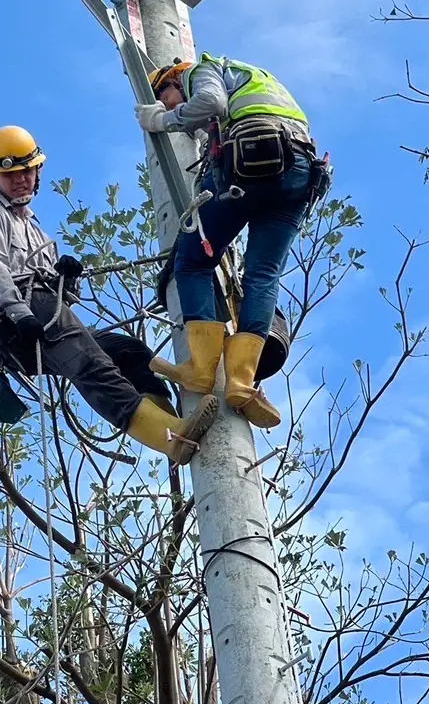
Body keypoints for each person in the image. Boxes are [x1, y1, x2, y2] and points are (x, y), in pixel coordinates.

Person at [0, 125, 218, 462]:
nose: (20, 179)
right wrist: (21, 315)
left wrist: (66, 278)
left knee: (127, 350)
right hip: (18, 317)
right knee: (95, 369)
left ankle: (173, 411)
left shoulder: (35, 231)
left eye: (26, 171)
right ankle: (172, 438)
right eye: (10, 175)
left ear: (37, 172)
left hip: (43, 310)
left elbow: (61, 299)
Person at [135, 55, 319, 429]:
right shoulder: (254, 77)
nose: (172, 105)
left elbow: (209, 103)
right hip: (301, 171)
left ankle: (201, 370)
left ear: (174, 79)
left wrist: (161, 120)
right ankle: (240, 382)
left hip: (254, 159)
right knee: (263, 274)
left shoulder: (203, 69)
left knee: (192, 261)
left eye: (166, 97)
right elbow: (219, 117)